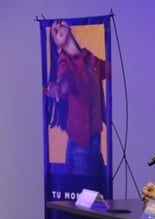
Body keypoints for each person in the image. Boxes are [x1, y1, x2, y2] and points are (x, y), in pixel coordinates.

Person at [44, 19, 108, 178]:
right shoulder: (64, 61)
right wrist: (58, 88)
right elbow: (64, 80)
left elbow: (107, 69)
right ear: (57, 46)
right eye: (54, 31)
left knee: (99, 197)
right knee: (82, 200)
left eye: (59, 23)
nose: (58, 27)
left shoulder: (86, 56)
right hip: (81, 147)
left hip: (94, 142)